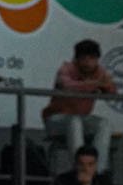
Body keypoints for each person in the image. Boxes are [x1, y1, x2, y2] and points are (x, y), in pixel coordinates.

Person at [41, 39, 115, 171]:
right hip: (56, 119)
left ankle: (97, 172)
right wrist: (95, 84)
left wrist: (107, 87)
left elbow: (112, 91)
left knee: (105, 123)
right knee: (74, 121)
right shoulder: (66, 69)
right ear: (76, 59)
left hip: (82, 119)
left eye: (92, 58)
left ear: (97, 59)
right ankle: (79, 170)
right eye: (83, 58)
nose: (87, 62)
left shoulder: (100, 72)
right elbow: (67, 86)